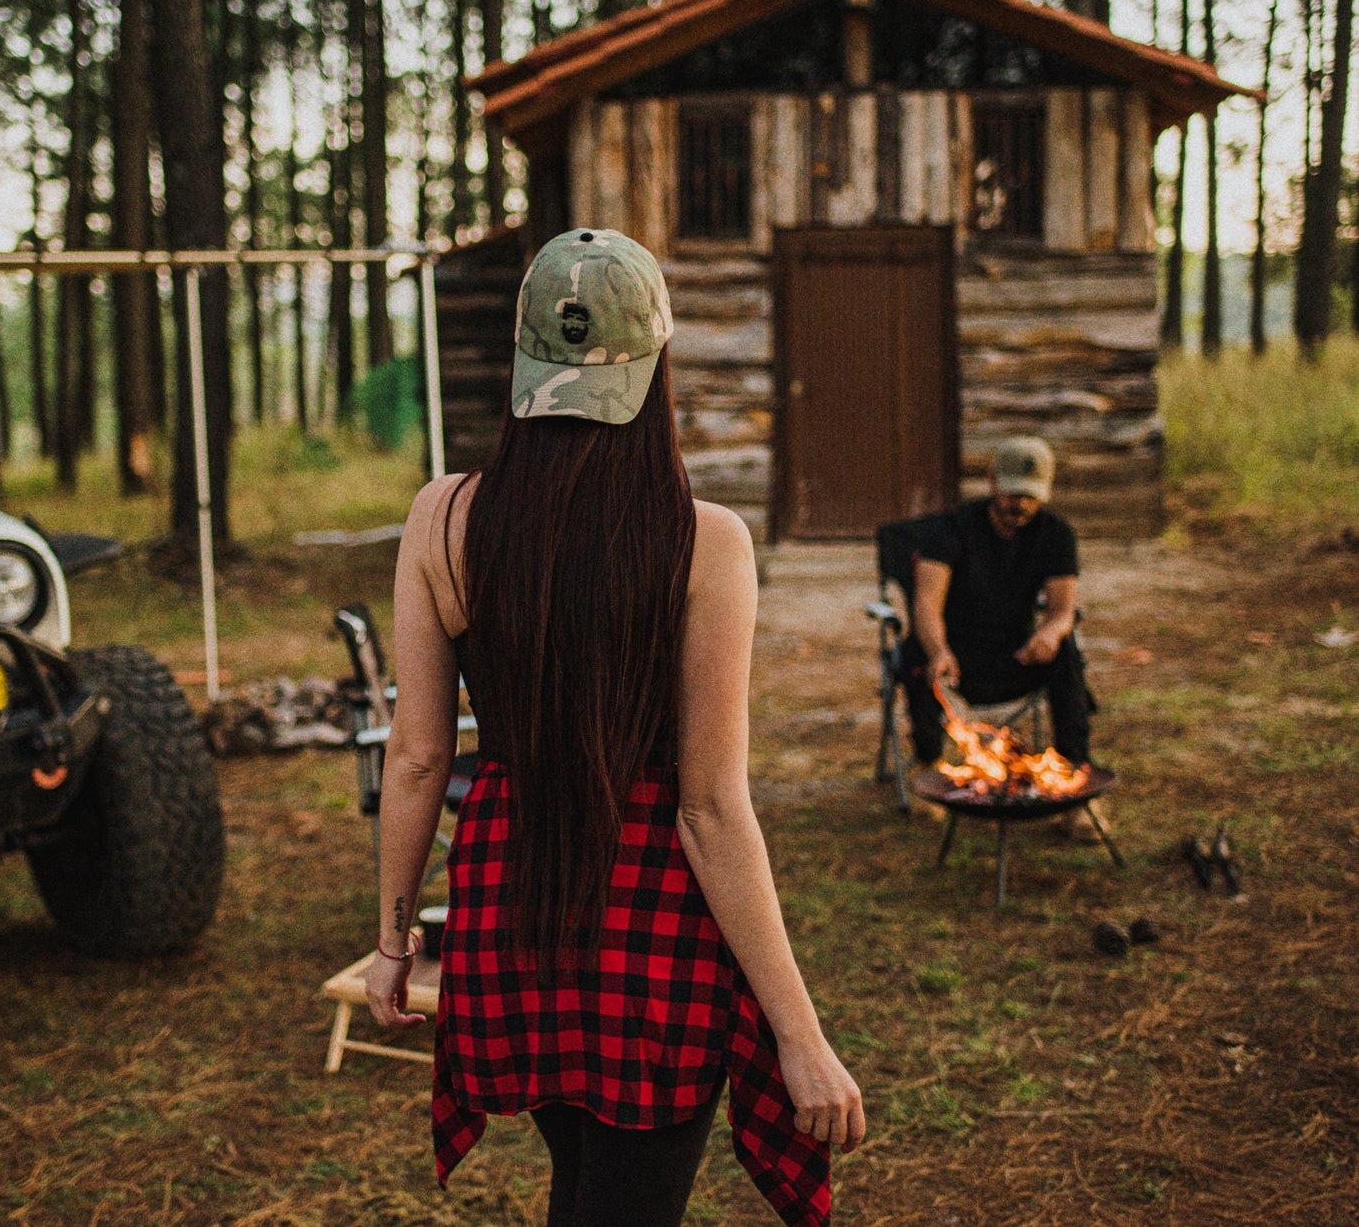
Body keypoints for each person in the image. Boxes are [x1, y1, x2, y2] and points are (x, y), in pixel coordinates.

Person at [366, 228, 863, 1227]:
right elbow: (709, 806)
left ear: (524, 361)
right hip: (648, 924)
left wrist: (390, 940)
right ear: (655, 362)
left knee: (587, 1181)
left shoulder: (440, 516)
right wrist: (798, 1033)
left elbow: (419, 755)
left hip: (508, 904)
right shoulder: (703, 541)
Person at [901, 436, 1093, 768]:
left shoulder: (1057, 534)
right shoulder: (951, 531)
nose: (1020, 505)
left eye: (1030, 496)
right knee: (915, 654)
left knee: (1066, 655)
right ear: (992, 481)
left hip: (1016, 653)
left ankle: (1074, 770)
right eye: (1012, 494)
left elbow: (1063, 610)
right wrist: (939, 650)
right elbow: (926, 605)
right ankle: (929, 765)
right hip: (955, 657)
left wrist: (1050, 633)